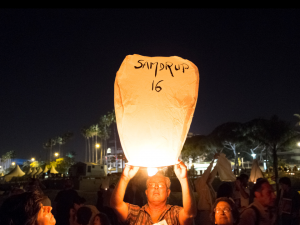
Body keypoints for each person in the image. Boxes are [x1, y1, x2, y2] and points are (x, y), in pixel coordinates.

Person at [110, 160, 197, 224]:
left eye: (160, 185)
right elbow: (116, 205)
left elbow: (189, 214)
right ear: (146, 192)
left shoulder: (174, 213)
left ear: (168, 192)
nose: (155, 187)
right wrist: (125, 178)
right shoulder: (136, 213)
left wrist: (183, 179)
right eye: (151, 185)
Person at [194, 153, 219, 225]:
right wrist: (213, 160)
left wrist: (218, 163)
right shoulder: (201, 185)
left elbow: (212, 174)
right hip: (204, 213)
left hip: (209, 212)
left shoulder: (208, 185)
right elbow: (207, 173)